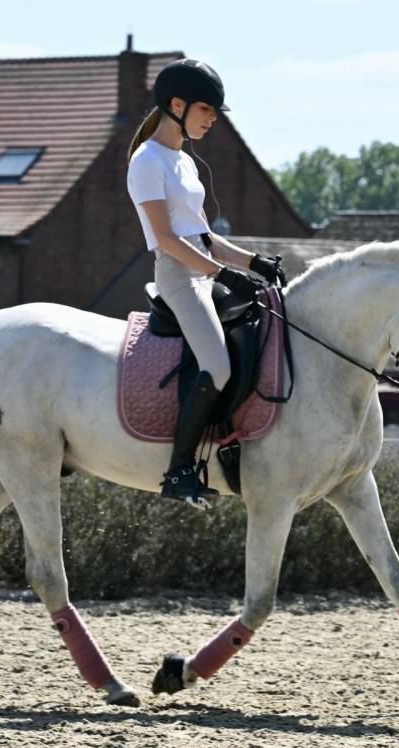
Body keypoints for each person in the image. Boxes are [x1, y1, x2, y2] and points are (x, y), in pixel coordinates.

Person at [126, 58, 284, 509]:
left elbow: (204, 236)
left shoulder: (183, 162)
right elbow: (166, 239)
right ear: (177, 105)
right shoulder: (147, 161)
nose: (213, 119)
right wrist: (223, 274)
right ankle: (178, 471)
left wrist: (254, 262)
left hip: (202, 270)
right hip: (179, 278)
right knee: (216, 365)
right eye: (207, 110)